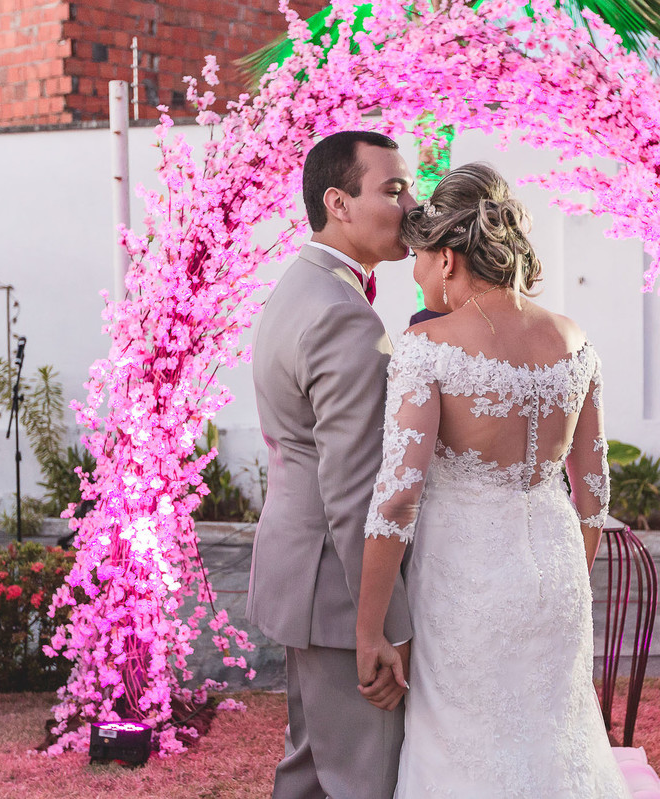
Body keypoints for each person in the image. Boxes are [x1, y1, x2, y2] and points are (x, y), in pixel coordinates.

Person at [356, 163, 630, 797]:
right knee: (553, 750)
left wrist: (370, 631)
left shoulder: (429, 347)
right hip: (559, 576)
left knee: (466, 755)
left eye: (419, 259)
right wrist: (570, 576)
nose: (416, 274)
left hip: (465, 584)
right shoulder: (574, 340)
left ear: (448, 259)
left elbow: (397, 500)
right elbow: (593, 494)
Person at [246, 131, 418, 799]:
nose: (410, 205)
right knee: (360, 781)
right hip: (338, 590)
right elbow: (353, 490)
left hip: (301, 569)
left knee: (311, 771)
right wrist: (382, 625)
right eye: (393, 190)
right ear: (338, 203)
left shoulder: (300, 286)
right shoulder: (343, 316)